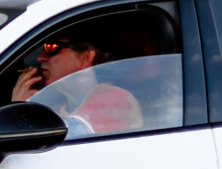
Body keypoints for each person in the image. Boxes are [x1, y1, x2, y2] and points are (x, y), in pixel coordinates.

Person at [10, 32, 143, 136]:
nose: (40, 58)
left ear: (84, 58)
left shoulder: (115, 99)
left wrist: (19, 112)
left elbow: (62, 140)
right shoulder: (59, 110)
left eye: (51, 47)